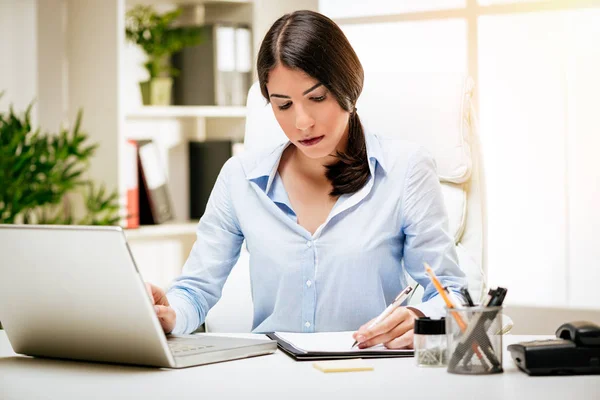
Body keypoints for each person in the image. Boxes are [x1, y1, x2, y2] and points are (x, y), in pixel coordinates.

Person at [146, 10, 466, 350]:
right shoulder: (239, 178)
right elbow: (195, 291)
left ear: (348, 87)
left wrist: (421, 315)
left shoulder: (405, 170)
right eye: (283, 105)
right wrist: (170, 313)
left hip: (368, 372)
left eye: (316, 98)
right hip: (271, 375)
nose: (302, 122)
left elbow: (451, 292)